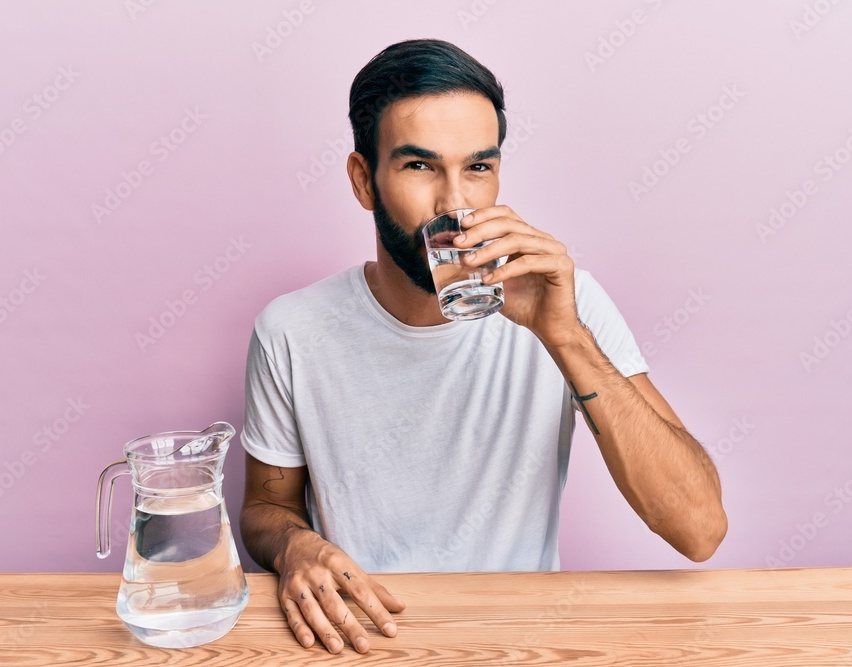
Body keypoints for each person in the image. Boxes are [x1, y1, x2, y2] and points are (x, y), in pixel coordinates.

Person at [240, 38, 727, 655]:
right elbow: (265, 507)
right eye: (419, 166)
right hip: (359, 637)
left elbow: (700, 528)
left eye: (478, 167)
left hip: (521, 640)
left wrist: (565, 338)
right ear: (364, 181)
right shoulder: (292, 329)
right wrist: (293, 546)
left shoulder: (567, 305)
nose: (456, 204)